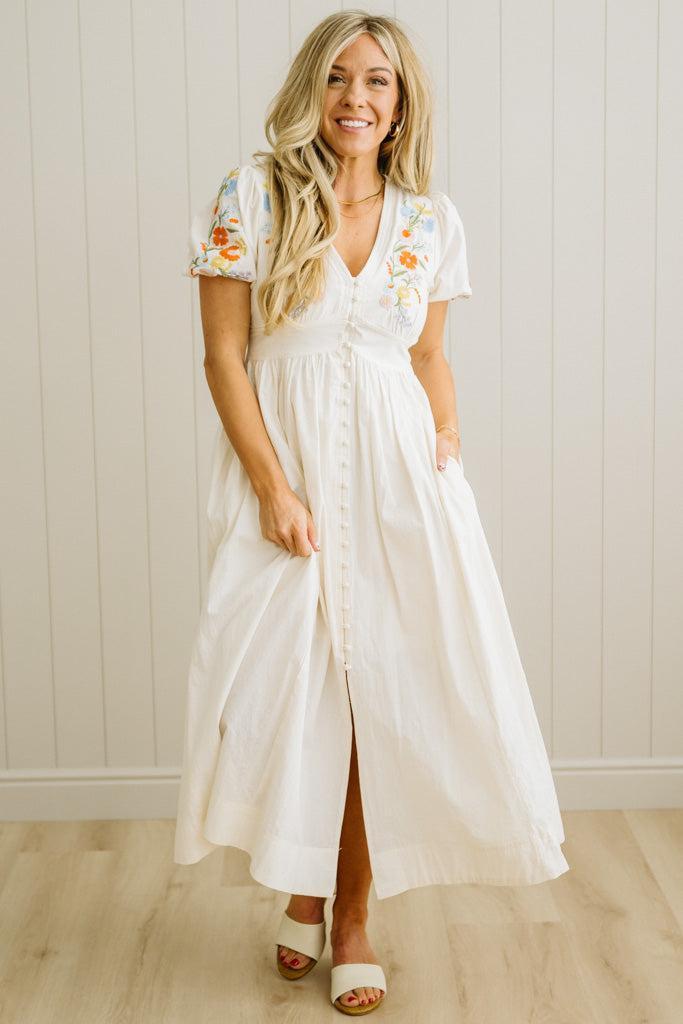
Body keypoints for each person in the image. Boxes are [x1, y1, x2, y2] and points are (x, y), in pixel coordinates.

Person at [174, 10, 570, 1016]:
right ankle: (299, 883)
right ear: (312, 86)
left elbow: (428, 357)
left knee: (377, 701)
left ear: (400, 106)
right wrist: (272, 486)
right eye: (340, 76)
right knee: (288, 690)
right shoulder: (250, 199)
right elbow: (225, 356)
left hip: (404, 481)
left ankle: (344, 913)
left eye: (378, 82)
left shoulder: (430, 221)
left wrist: (445, 458)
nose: (357, 96)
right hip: (289, 473)